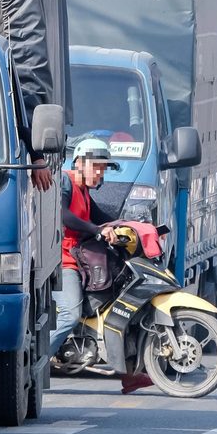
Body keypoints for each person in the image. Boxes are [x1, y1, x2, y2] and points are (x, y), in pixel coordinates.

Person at [50, 138, 154, 394]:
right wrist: (98, 230)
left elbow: (104, 218)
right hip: (64, 262)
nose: (101, 173)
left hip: (81, 260)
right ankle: (32, 364)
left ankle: (130, 375)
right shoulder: (65, 181)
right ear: (81, 163)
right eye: (98, 166)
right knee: (70, 315)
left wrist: (133, 228)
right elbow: (63, 215)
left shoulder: (84, 191)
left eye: (104, 168)